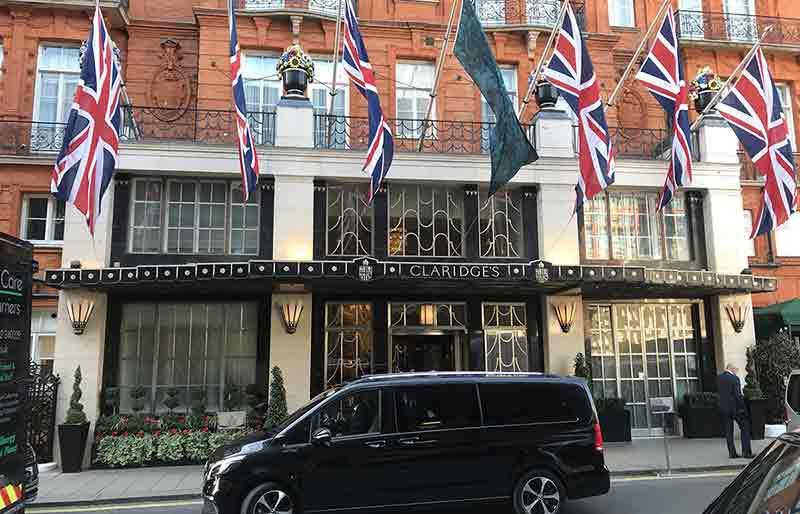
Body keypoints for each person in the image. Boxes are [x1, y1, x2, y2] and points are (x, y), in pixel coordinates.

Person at [718, 363, 753, 459]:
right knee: (745, 427)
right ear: (731, 369)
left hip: (724, 409)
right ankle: (746, 452)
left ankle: (732, 453)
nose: (736, 371)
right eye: (736, 369)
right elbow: (738, 395)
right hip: (736, 409)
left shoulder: (719, 378)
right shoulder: (734, 379)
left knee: (728, 432)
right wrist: (743, 407)